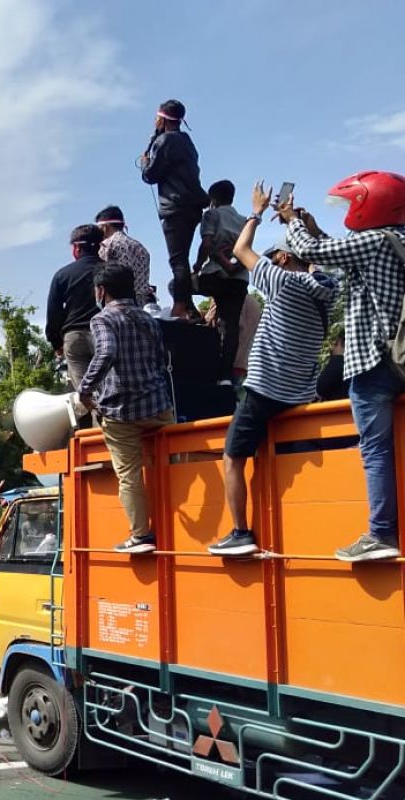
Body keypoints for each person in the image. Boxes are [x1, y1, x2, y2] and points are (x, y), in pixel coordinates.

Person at [208, 182, 338, 557]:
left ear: (281, 259)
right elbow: (316, 260)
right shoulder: (325, 289)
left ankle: (240, 532)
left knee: (232, 457)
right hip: (300, 394)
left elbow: (239, 250)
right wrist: (299, 223)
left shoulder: (281, 281)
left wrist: (256, 212)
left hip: (264, 391)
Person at [284, 170, 405, 561]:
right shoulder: (394, 241)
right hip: (400, 354)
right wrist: (318, 230)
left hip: (373, 361)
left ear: (368, 204)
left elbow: (317, 254)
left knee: (374, 450)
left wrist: (293, 222)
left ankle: (382, 534)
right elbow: (342, 256)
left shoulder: (371, 241)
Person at [77, 263, 175, 554]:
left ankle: (141, 535)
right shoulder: (149, 319)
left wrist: (85, 389)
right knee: (171, 465)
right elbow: (161, 359)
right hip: (158, 406)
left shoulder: (102, 319)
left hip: (122, 412)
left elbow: (106, 351)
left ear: (101, 291)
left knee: (129, 475)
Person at [140, 99, 211, 319]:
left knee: (177, 260)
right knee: (182, 259)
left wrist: (145, 162)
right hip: (192, 206)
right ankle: (187, 304)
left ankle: (181, 308)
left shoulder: (165, 141)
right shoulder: (186, 140)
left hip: (175, 207)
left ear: (162, 118)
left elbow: (151, 175)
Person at [192, 179, 251, 382]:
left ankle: (191, 319)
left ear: (213, 199)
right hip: (239, 279)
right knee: (231, 325)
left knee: (179, 286)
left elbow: (207, 243)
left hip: (216, 275)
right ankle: (225, 375)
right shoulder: (244, 220)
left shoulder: (212, 214)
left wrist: (198, 266)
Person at [45, 224, 105, 390]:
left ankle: (94, 415)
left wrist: (56, 343)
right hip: (107, 334)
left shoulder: (62, 275)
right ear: (100, 246)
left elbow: (53, 312)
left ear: (77, 248)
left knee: (86, 394)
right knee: (110, 389)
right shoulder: (113, 270)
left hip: (75, 338)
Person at [96, 205, 151, 300]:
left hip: (117, 304)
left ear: (105, 228)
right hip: (140, 305)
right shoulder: (141, 248)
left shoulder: (107, 245)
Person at [317, 329, 350, 401]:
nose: (331, 347)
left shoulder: (338, 363)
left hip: (336, 410)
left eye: (334, 344)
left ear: (339, 341)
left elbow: (319, 389)